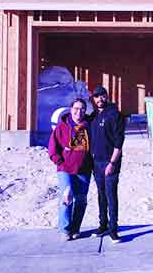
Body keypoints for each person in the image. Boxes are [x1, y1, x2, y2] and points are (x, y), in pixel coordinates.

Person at [47, 98, 92, 241]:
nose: (79, 112)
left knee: (81, 199)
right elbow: (53, 149)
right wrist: (59, 162)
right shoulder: (62, 126)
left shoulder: (88, 126)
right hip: (65, 169)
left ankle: (75, 228)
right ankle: (64, 229)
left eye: (82, 109)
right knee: (67, 197)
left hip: (84, 169)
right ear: (71, 109)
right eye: (76, 108)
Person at [88, 85, 125, 243]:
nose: (99, 99)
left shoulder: (114, 114)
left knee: (111, 196)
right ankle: (102, 225)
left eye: (102, 96)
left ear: (107, 96)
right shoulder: (93, 115)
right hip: (96, 163)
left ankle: (113, 229)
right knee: (101, 195)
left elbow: (119, 142)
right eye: (96, 97)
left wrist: (112, 163)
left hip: (111, 163)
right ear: (93, 99)